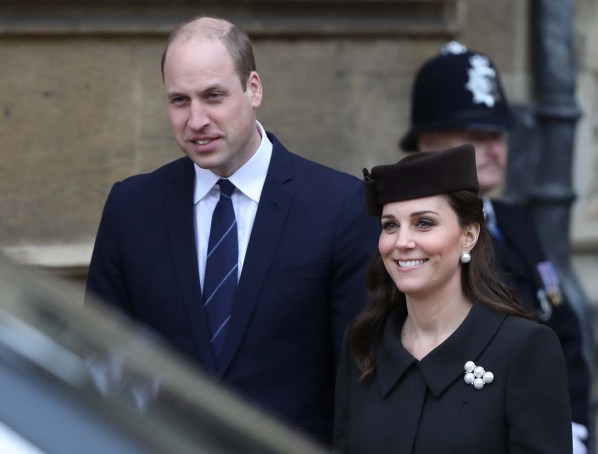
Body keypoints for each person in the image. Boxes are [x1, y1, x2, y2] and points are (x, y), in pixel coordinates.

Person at [85, 16, 378, 446]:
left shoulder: (339, 206)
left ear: (254, 88)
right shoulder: (132, 208)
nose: (196, 119)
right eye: (179, 101)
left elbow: (358, 377)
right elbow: (98, 357)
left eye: (213, 96)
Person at [398, 42, 591, 453]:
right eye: (474, 136)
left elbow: (564, 332)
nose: (493, 150)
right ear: (429, 143)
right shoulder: (409, 239)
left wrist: (572, 426)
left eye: (498, 135)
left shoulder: (517, 220)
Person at [333, 144, 573, 453]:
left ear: (469, 235)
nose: (402, 242)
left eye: (424, 223)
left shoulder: (524, 349)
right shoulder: (363, 343)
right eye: (390, 225)